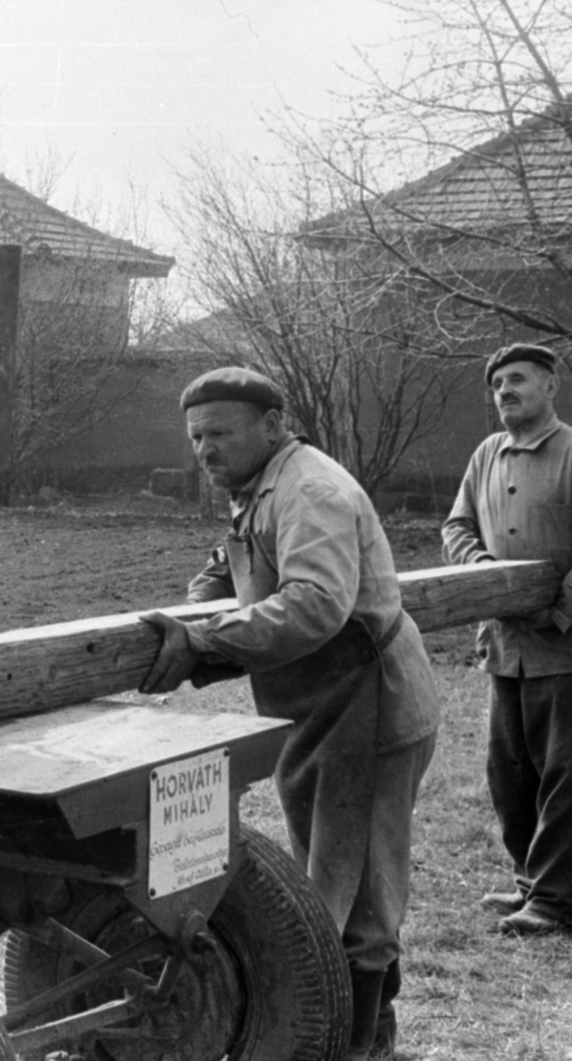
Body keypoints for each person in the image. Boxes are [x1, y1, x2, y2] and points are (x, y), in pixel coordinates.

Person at [139, 366, 440, 1059]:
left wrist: (207, 641)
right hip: (317, 707)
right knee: (326, 875)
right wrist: (203, 600)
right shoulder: (258, 486)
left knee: (359, 889)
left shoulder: (312, 489)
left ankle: (358, 1044)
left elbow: (316, 602)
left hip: (370, 704)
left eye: (219, 432)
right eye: (195, 437)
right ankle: (359, 1030)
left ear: (273, 425)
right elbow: (235, 560)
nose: (205, 449)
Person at [442, 342, 572, 937]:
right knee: (511, 775)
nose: (505, 391)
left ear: (551, 386)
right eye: (497, 383)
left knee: (567, 779)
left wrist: (558, 611)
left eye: (518, 379)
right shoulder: (486, 456)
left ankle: (556, 901)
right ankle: (532, 882)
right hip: (506, 651)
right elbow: (457, 526)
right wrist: (488, 580)